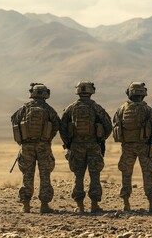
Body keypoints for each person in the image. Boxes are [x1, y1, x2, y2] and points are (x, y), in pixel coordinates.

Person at [60, 81, 112, 213]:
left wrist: (69, 143)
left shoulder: (70, 108)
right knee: (95, 175)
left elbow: (63, 128)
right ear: (91, 92)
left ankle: (80, 206)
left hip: (76, 146)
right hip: (93, 146)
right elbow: (108, 126)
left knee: (78, 175)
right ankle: (94, 205)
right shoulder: (96, 107)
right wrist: (100, 139)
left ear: (77, 91)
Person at [11, 83, 60, 213]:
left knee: (27, 175)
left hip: (26, 146)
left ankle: (25, 205)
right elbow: (56, 125)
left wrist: (23, 140)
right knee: (45, 175)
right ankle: (44, 205)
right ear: (45, 94)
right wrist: (47, 138)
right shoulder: (49, 109)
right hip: (43, 146)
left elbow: (14, 123)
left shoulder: (23, 108)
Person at [113, 82, 152, 212]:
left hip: (127, 146)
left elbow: (116, 125)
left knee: (126, 173)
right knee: (148, 173)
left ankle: (126, 203)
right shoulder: (147, 110)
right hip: (144, 147)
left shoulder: (122, 109)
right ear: (143, 94)